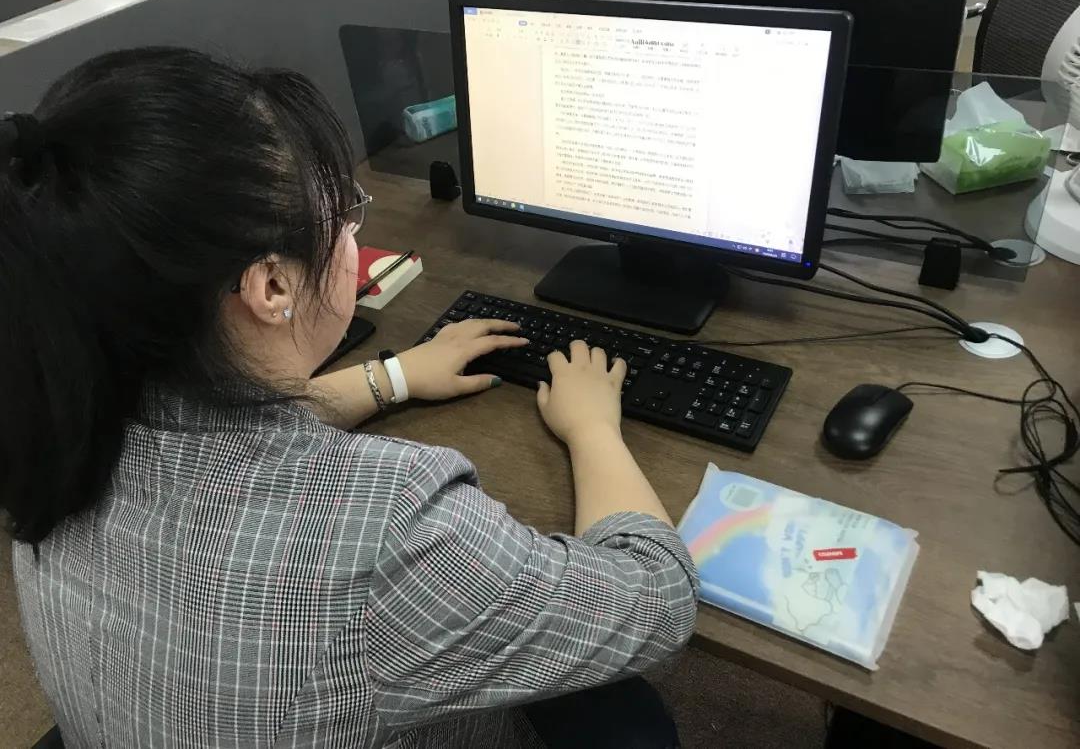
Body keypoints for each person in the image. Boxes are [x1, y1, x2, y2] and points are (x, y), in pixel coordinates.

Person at [0, 48, 698, 748]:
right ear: (272, 285)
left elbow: (221, 451)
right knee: (624, 711)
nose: (351, 236)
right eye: (341, 215)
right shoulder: (391, 529)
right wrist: (593, 427)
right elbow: (659, 601)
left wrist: (393, 376)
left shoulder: (59, 425)